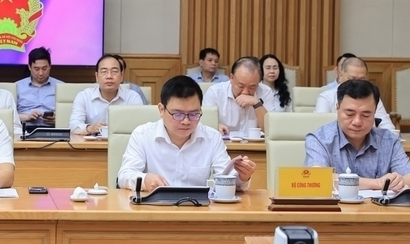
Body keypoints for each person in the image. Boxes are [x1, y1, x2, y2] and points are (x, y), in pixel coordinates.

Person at [117, 75, 256, 191]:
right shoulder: (142, 135)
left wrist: (242, 176)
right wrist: (145, 179)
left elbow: (227, 179)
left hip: (197, 213)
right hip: (154, 211)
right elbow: (124, 176)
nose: (186, 121)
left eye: (194, 114)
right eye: (177, 114)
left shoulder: (212, 138)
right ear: (161, 110)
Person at [305, 79, 410, 192]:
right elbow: (317, 178)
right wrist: (377, 183)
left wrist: (399, 181)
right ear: (337, 108)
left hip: (378, 210)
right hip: (337, 210)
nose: (357, 122)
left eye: (366, 115)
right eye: (350, 113)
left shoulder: (388, 140)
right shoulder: (319, 139)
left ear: (375, 112)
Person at [69, 54, 144, 135]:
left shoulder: (133, 97)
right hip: (92, 145)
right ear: (97, 76)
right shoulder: (84, 97)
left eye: (114, 72)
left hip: (123, 145)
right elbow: (73, 126)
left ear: (121, 76)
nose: (109, 76)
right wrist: (90, 128)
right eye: (104, 72)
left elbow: (141, 127)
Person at [314, 56, 395, 131]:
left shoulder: (371, 97)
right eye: (352, 79)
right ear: (340, 75)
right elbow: (320, 129)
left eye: (361, 79)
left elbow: (387, 127)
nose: (357, 83)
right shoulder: (326, 97)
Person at [202, 56, 276, 135]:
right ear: (231, 78)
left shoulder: (265, 92)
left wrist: (257, 104)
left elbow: (271, 130)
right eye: (241, 86)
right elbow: (203, 123)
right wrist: (215, 126)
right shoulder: (215, 92)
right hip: (223, 144)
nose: (245, 92)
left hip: (256, 145)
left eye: (252, 87)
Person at [16, 47, 63, 128]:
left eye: (44, 68)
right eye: (36, 69)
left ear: (50, 66)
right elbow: (9, 116)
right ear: (29, 67)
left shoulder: (62, 87)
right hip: (24, 129)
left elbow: (72, 115)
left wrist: (60, 119)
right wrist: (27, 117)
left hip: (54, 129)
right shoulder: (17, 87)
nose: (41, 73)